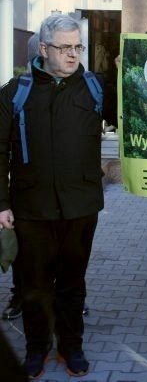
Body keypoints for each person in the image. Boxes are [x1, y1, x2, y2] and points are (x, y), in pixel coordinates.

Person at [0, 14, 105, 378]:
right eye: (65, 47)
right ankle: (36, 348)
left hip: (81, 206)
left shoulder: (94, 88)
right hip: (31, 208)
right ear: (44, 49)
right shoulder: (16, 92)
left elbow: (141, 110)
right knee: (34, 287)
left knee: (73, 284)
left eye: (78, 46)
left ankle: (71, 346)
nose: (74, 54)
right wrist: (1, 205)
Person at [1, 33, 41, 322]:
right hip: (25, 191)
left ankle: (70, 300)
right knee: (24, 253)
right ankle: (19, 297)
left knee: (65, 256)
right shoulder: (16, 91)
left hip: (63, 192)